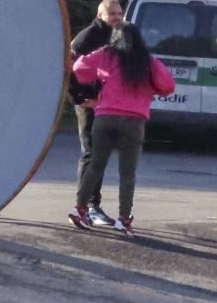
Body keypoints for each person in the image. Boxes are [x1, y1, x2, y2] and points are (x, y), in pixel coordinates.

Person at [68, 24, 175, 233]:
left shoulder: (106, 55)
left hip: (105, 116)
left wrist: (100, 75)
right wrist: (150, 88)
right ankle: (123, 219)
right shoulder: (148, 62)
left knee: (95, 166)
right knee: (127, 173)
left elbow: (79, 68)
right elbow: (168, 86)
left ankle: (80, 209)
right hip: (133, 122)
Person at [68, 0, 124, 224]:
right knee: (92, 153)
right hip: (89, 103)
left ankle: (91, 206)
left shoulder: (118, 36)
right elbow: (67, 69)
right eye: (113, 14)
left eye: (120, 13)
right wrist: (80, 98)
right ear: (100, 15)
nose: (118, 18)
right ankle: (88, 207)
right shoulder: (86, 38)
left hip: (107, 103)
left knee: (101, 152)